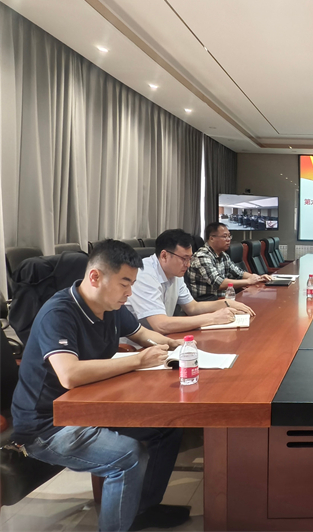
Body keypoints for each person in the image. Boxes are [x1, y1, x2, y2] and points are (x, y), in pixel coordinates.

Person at [10, 240, 190, 531]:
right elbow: (69, 374)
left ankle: (141, 509)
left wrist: (175, 345)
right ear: (95, 277)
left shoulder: (111, 305)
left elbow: (142, 334)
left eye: (132, 284)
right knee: (128, 457)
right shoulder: (60, 312)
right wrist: (137, 360)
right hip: (48, 424)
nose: (129, 292)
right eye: (124, 283)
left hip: (89, 408)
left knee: (166, 429)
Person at [125, 228, 254, 336]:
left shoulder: (175, 273)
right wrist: (213, 318)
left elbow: (193, 307)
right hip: (136, 347)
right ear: (164, 256)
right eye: (184, 259)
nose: (188, 264)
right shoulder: (144, 274)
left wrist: (226, 303)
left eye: (190, 258)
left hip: (162, 339)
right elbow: (160, 325)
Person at [185, 222, 271, 301]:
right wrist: (248, 281)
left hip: (222, 299)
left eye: (229, 236)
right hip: (206, 302)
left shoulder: (223, 255)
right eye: (224, 236)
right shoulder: (202, 256)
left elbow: (238, 272)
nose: (228, 239)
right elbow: (219, 283)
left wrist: (257, 277)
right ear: (212, 238)